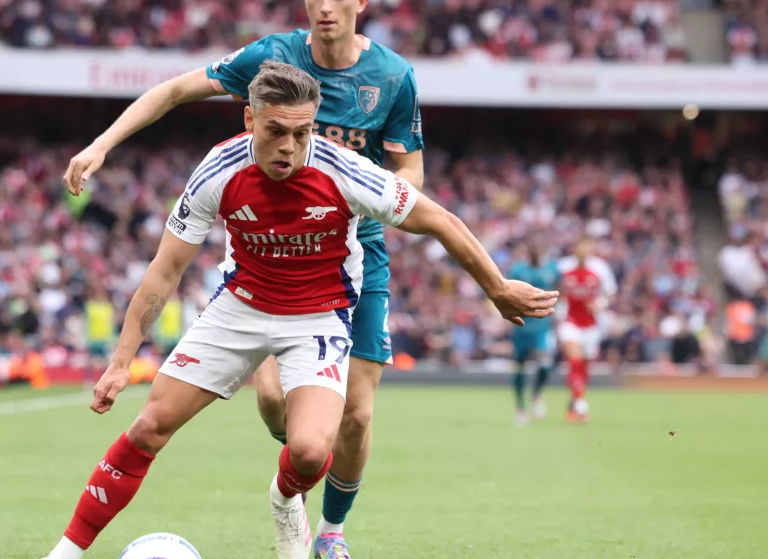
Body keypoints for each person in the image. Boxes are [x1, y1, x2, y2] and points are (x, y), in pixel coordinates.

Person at [43, 62, 558, 559]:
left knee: (312, 452)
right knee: (149, 426)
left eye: (302, 132)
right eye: (275, 131)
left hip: (318, 316)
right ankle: (65, 551)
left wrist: (495, 286)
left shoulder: (347, 172)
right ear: (249, 118)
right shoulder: (217, 171)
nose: (289, 146)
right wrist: (120, 360)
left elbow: (440, 220)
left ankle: (286, 494)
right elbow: (164, 270)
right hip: (238, 309)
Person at [63, 2, 424, 553]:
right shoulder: (269, 57)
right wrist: (102, 143)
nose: (325, 6)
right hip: (268, 259)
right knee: (274, 403)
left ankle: (330, 532)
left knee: (357, 412)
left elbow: (410, 172)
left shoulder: (394, 77)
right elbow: (174, 91)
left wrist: (381, 206)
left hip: (354, 252)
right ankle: (292, 483)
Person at [557, 238, 616, 423]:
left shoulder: (600, 268)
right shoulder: (563, 266)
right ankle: (580, 402)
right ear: (574, 248)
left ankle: (575, 401)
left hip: (591, 324)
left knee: (584, 365)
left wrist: (600, 304)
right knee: (574, 361)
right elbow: (554, 288)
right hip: (569, 321)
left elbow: (611, 293)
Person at [507, 240, 560, 426]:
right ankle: (520, 409)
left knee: (545, 364)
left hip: (542, 326)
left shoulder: (552, 269)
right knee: (520, 366)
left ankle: (536, 395)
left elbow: (559, 292)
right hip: (522, 325)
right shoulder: (518, 270)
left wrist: (557, 317)